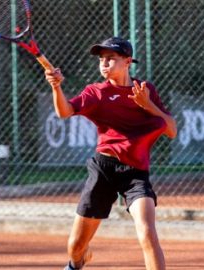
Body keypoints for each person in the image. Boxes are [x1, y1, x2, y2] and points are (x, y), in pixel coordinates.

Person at [44, 37, 177, 270]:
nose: (104, 64)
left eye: (111, 59)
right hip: (104, 169)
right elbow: (65, 112)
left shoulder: (145, 90)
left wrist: (148, 105)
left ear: (127, 62)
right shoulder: (96, 93)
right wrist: (56, 86)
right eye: (101, 59)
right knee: (75, 247)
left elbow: (172, 130)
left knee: (147, 232)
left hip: (136, 174)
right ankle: (77, 263)